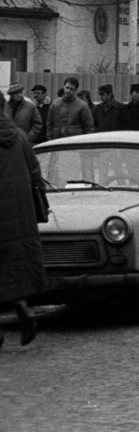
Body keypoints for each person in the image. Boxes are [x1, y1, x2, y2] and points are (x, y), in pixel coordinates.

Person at [0, 111, 46, 349]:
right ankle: (22, 308)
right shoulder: (19, 137)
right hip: (20, 214)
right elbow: (36, 176)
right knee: (12, 268)